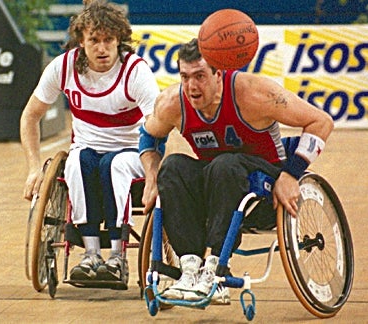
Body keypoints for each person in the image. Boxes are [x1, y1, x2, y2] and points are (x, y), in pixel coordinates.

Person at [139, 38, 334, 304]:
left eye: (200, 76)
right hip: (216, 189)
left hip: (265, 190)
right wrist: (151, 177)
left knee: (225, 164)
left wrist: (291, 173)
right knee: (172, 167)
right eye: (185, 77)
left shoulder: (253, 93)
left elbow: (320, 122)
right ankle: (190, 269)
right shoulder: (173, 102)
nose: (192, 86)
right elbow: (149, 138)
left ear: (219, 74)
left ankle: (216, 271)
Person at [20, 0, 160, 285]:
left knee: (114, 163)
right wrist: (34, 168)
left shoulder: (136, 71)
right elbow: (29, 117)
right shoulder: (64, 67)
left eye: (109, 40)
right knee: (75, 162)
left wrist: (155, 173)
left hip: (133, 151)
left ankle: (117, 259)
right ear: (80, 42)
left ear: (119, 39)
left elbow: (158, 127)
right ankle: (91, 255)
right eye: (94, 40)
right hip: (87, 149)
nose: (102, 48)